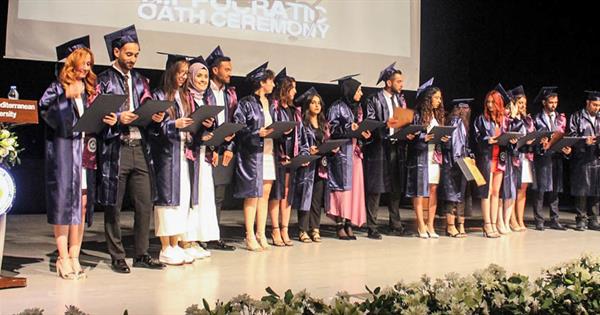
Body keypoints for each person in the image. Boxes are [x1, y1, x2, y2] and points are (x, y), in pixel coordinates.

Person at [40, 36, 117, 279]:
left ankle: (75, 256)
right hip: (64, 155)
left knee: (82, 206)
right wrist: (66, 98)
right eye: (84, 63)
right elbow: (45, 113)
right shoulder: (57, 88)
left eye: (90, 65)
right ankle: (62, 259)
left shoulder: (90, 91)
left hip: (85, 153)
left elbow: (92, 122)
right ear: (72, 63)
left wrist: (108, 120)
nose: (87, 68)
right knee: (65, 205)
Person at [96, 25, 165, 273]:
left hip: (140, 147)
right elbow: (96, 112)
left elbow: (146, 107)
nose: (133, 59)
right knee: (113, 204)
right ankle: (117, 255)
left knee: (144, 203)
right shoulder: (103, 80)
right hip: (116, 148)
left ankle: (142, 253)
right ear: (116, 52)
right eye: (128, 54)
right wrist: (116, 116)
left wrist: (156, 118)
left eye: (136, 54)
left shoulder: (141, 81)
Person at [149, 53, 201, 265]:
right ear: (171, 72)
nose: (183, 77)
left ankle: (176, 243)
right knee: (167, 200)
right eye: (180, 73)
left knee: (181, 200)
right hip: (166, 154)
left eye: (186, 73)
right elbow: (154, 127)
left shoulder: (184, 97)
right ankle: (165, 246)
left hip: (182, 152)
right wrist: (174, 125)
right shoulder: (159, 95)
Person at [233, 62, 277, 251]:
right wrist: (255, 133)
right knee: (252, 194)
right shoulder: (245, 103)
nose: (274, 85)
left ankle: (261, 233)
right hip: (252, 153)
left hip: (268, 152)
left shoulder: (271, 103)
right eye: (271, 81)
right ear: (262, 82)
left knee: (265, 194)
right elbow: (239, 127)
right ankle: (249, 235)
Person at [363, 62, 407, 239]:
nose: (401, 85)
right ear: (389, 83)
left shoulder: (400, 100)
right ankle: (372, 226)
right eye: (398, 81)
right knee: (376, 188)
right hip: (379, 146)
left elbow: (403, 121)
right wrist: (385, 124)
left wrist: (406, 132)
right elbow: (370, 121)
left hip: (396, 146)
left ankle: (395, 224)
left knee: (395, 187)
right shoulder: (374, 99)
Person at [182, 57, 221, 255]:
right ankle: (185, 240)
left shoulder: (206, 99)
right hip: (190, 154)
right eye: (199, 75)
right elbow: (187, 125)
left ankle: (197, 238)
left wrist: (214, 143)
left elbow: (210, 127)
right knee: (191, 196)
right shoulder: (185, 97)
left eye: (206, 76)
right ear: (190, 77)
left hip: (204, 153)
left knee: (204, 196)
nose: (203, 79)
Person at [326, 74, 370, 240]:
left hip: (355, 153)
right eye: (359, 90)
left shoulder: (357, 108)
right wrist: (349, 128)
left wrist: (363, 133)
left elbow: (357, 128)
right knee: (341, 190)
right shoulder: (337, 107)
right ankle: (339, 223)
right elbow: (332, 129)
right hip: (341, 154)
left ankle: (349, 222)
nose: (361, 93)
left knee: (354, 189)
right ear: (350, 90)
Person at [405, 79, 448, 239]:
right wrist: (424, 138)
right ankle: (421, 224)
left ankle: (430, 224)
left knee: (433, 189)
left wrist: (442, 138)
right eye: (436, 97)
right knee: (419, 191)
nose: (439, 101)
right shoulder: (417, 115)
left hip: (434, 156)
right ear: (429, 98)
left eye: (440, 98)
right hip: (421, 156)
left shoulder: (437, 116)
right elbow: (412, 136)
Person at [204, 46, 237, 251]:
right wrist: (212, 148)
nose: (230, 73)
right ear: (215, 70)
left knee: (218, 195)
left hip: (225, 149)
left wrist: (230, 146)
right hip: (207, 148)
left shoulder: (230, 94)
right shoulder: (204, 91)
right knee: (203, 193)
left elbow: (233, 121)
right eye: (226, 69)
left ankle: (214, 235)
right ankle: (201, 236)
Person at [289, 87, 331, 242]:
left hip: (321, 165)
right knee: (305, 197)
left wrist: (332, 147)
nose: (317, 106)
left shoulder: (323, 123)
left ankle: (315, 228)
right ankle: (302, 229)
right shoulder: (303, 124)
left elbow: (327, 140)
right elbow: (299, 142)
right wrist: (308, 151)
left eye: (319, 103)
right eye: (313, 103)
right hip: (308, 165)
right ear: (308, 105)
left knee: (316, 199)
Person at [531, 86, 571, 231]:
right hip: (542, 158)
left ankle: (555, 219)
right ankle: (539, 220)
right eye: (551, 102)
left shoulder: (561, 118)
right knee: (540, 189)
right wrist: (540, 145)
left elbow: (563, 136)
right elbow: (532, 139)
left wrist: (567, 148)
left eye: (556, 102)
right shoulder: (536, 119)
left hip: (557, 157)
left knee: (555, 189)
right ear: (544, 103)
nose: (554, 105)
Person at [473, 89, 508, 238]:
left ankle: (494, 223)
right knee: (486, 192)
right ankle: (487, 224)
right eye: (488, 102)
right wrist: (487, 140)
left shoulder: (502, 120)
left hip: (499, 158)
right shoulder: (481, 119)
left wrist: (511, 140)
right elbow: (475, 137)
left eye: (493, 102)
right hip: (486, 158)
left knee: (496, 192)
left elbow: (507, 136)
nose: (490, 105)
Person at [268, 68, 297, 246]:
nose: (295, 92)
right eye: (293, 88)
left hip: (290, 156)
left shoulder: (293, 110)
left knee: (287, 194)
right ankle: (275, 230)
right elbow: (271, 129)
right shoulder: (274, 107)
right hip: (276, 155)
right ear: (285, 89)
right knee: (276, 194)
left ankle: (285, 228)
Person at [439, 98, 473, 238]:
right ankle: (452, 226)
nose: (467, 110)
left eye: (467, 108)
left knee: (460, 195)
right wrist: (460, 162)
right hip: (453, 163)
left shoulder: (464, 123)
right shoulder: (456, 121)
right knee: (452, 195)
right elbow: (455, 146)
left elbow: (465, 144)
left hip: (461, 162)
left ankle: (460, 225)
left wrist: (470, 155)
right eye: (464, 108)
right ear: (459, 109)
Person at [568, 90, 600, 231]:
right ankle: (581, 219)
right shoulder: (577, 116)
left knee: (596, 189)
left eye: (599, 105)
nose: (597, 108)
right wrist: (583, 142)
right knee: (582, 189)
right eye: (594, 105)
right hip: (582, 158)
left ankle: (593, 219)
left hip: (597, 157)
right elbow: (572, 135)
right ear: (588, 103)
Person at [509, 86, 534, 232]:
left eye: (524, 103)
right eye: (520, 103)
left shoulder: (528, 120)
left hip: (526, 157)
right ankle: (512, 219)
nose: (523, 106)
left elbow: (532, 133)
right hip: (515, 157)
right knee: (514, 189)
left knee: (523, 189)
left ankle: (520, 218)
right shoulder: (511, 119)